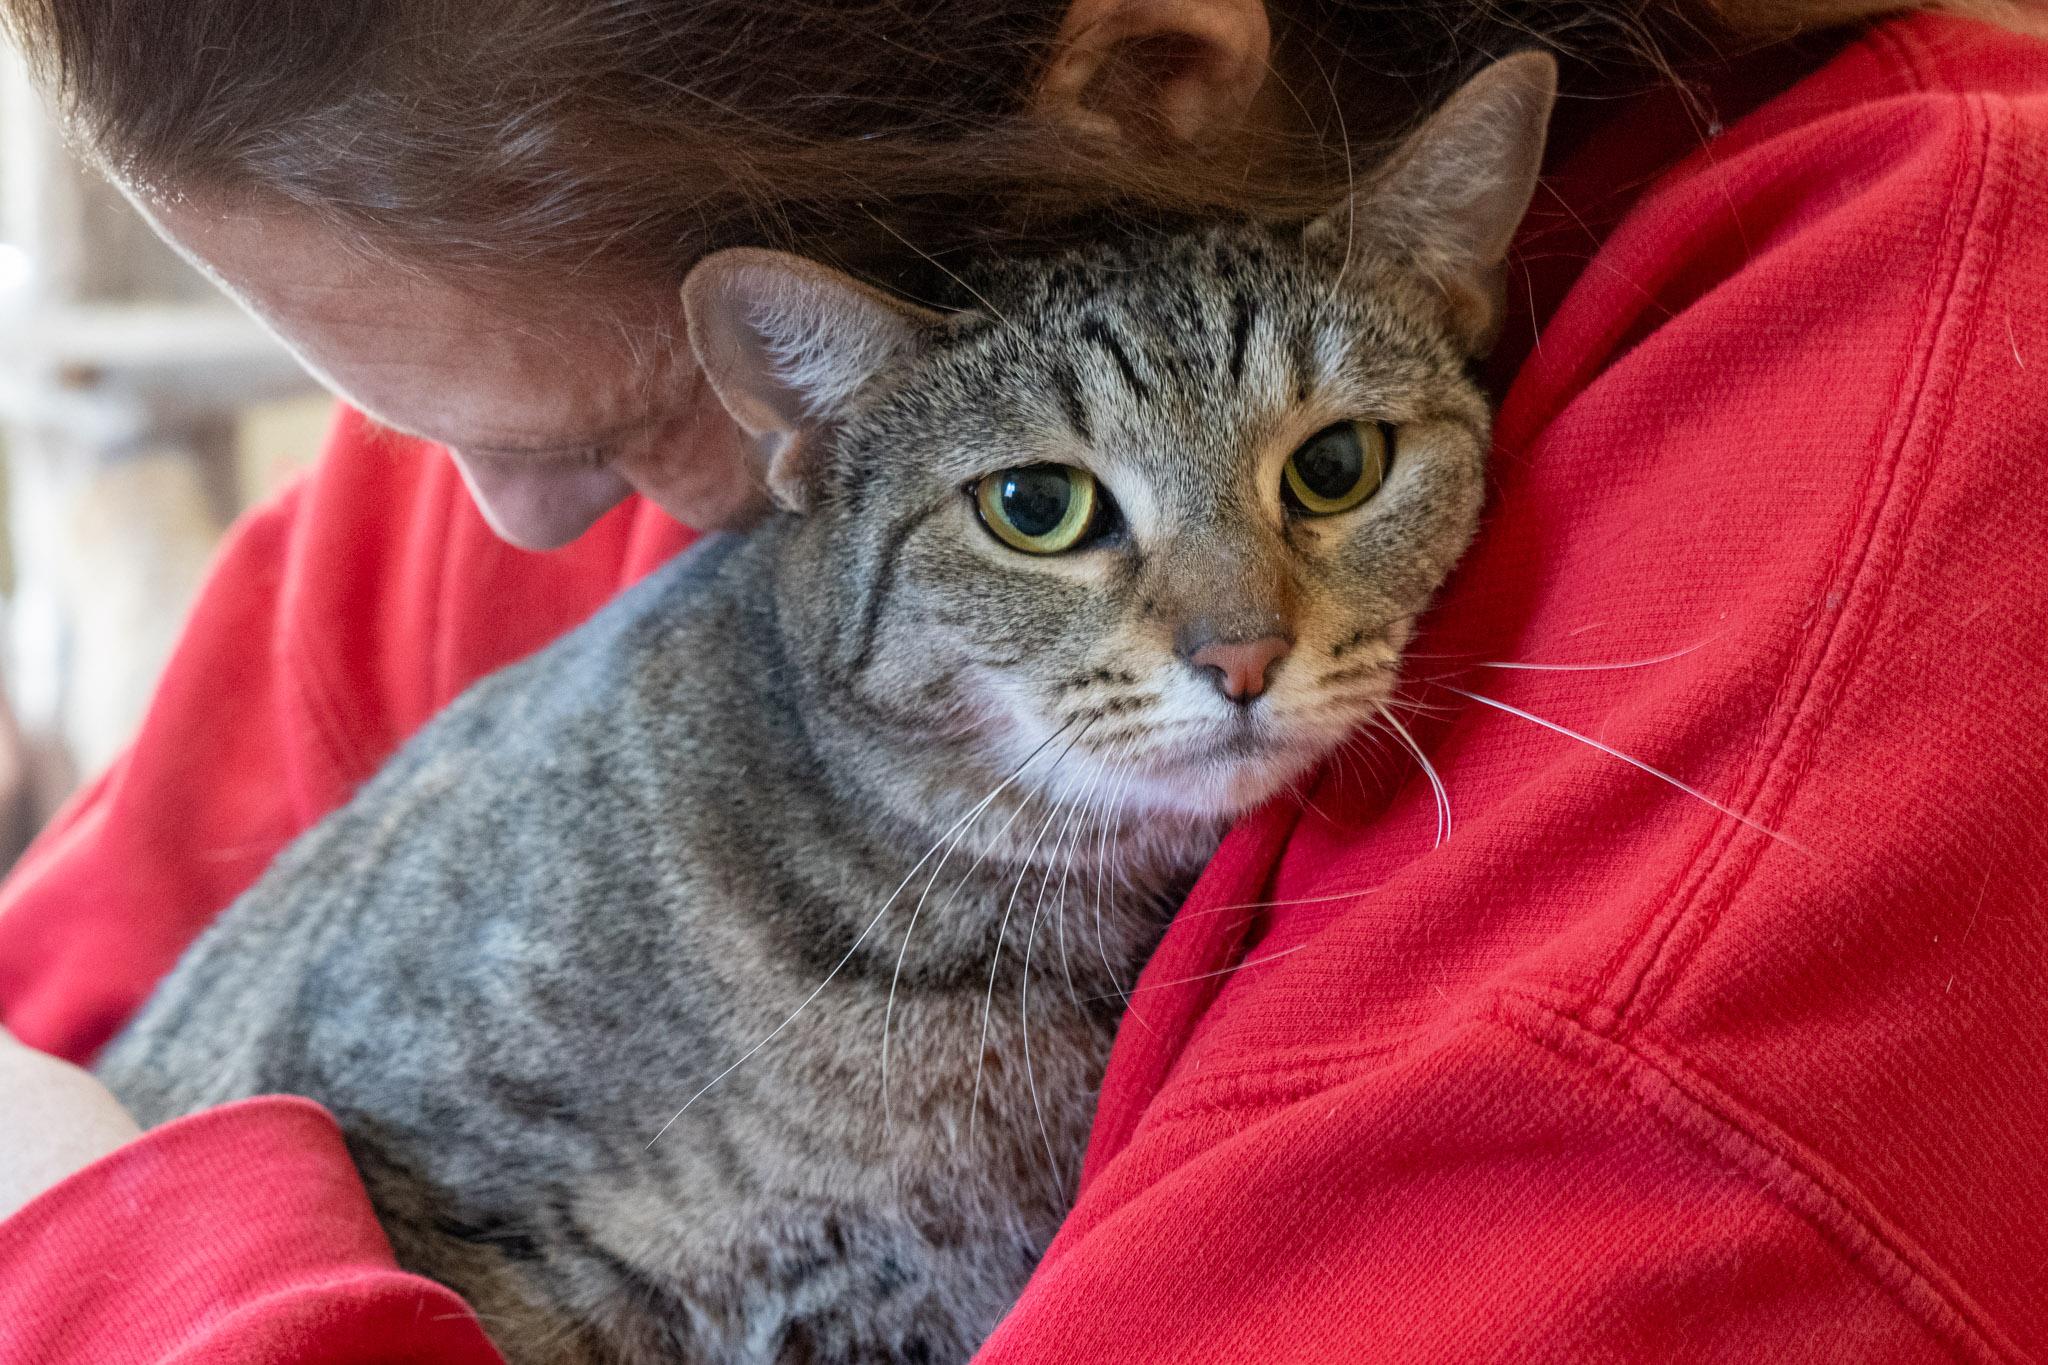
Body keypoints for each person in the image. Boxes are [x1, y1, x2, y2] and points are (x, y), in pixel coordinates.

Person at [3, 0, 2046, 1358]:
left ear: (1151, 69)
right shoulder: (626, 374)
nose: (524, 526)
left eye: (618, 421)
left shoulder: (1887, 483)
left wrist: (100, 1247)